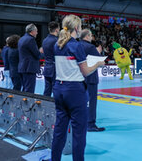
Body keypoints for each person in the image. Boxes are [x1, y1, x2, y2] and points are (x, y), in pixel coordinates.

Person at [52, 15, 105, 161]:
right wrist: (97, 64)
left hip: (59, 89)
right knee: (79, 133)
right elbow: (86, 71)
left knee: (59, 130)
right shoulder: (76, 46)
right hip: (75, 91)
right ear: (77, 28)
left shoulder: (57, 45)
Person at [79, 29, 105, 132]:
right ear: (87, 36)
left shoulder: (77, 45)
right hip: (90, 77)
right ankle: (90, 124)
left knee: (81, 100)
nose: (91, 37)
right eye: (90, 36)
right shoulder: (90, 47)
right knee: (91, 101)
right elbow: (99, 60)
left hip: (80, 76)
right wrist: (98, 51)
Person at [18, 23, 40, 93]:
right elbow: (36, 54)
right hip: (29, 68)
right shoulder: (31, 40)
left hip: (22, 67)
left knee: (24, 89)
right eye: (36, 31)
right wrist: (41, 52)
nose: (37, 33)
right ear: (32, 31)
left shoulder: (21, 39)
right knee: (29, 90)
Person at [42, 22, 60, 96]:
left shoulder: (45, 40)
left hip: (47, 67)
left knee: (47, 90)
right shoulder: (57, 41)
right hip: (55, 68)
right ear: (56, 30)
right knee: (56, 90)